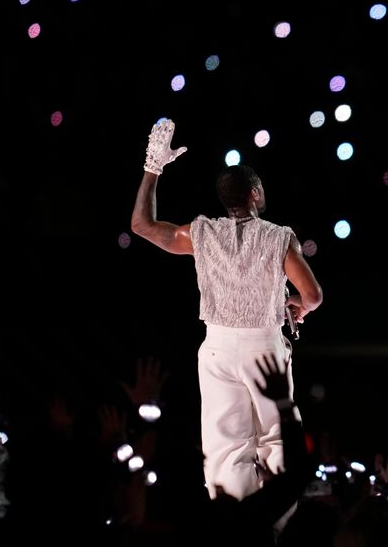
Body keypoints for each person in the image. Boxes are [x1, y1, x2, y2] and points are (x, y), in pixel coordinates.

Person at [130, 118, 323, 501]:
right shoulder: (278, 237)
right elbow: (313, 295)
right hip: (264, 348)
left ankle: (238, 526)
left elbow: (141, 225)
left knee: (227, 451)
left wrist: (153, 167)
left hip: (217, 350)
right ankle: (278, 522)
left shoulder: (199, 234)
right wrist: (299, 307)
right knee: (277, 438)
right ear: (254, 193)